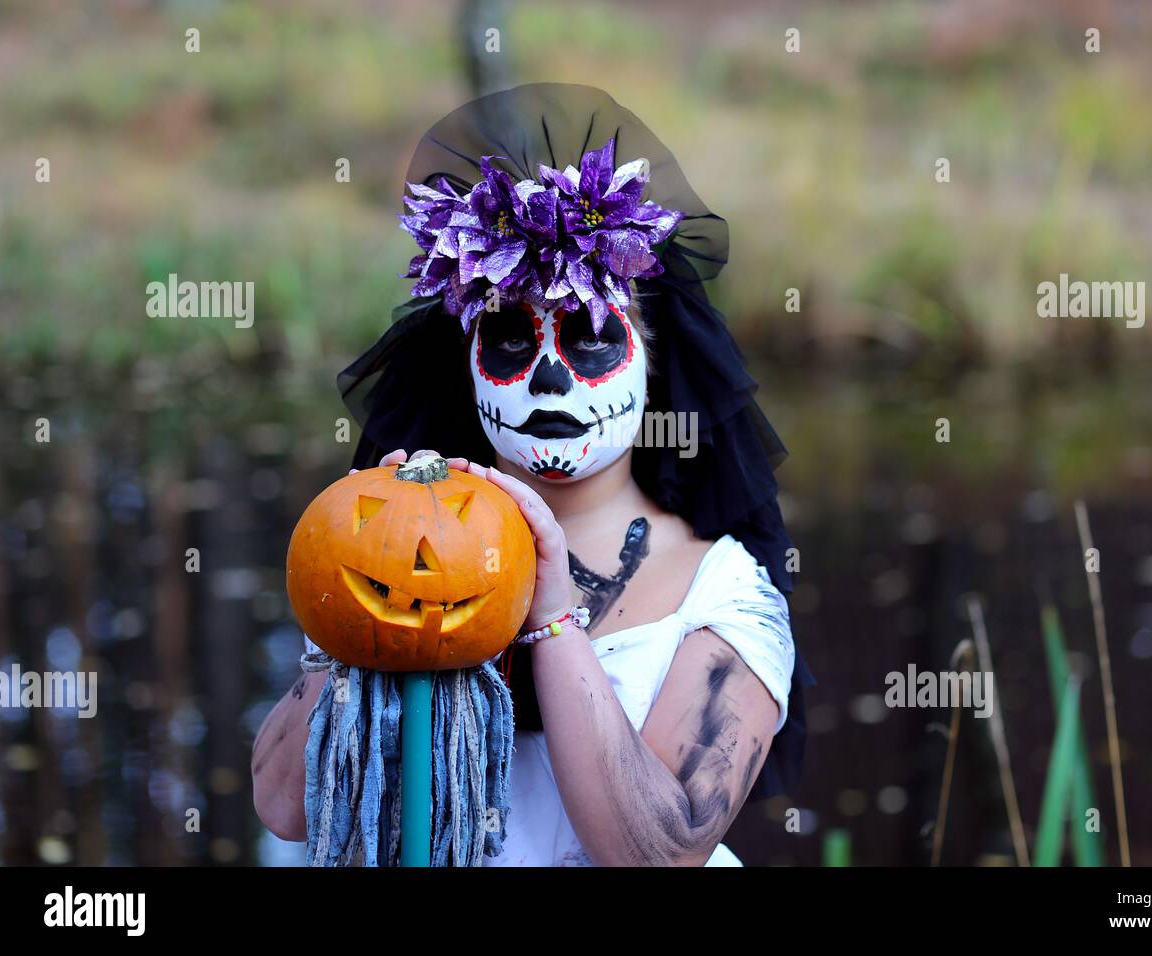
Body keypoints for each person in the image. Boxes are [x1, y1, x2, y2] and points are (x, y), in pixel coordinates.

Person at [252, 84, 812, 866]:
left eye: (589, 339)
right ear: (467, 366)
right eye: (510, 341)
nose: (550, 379)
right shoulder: (410, 557)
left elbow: (660, 852)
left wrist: (552, 620)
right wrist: (363, 591)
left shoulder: (724, 596)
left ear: (654, 365)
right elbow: (284, 808)